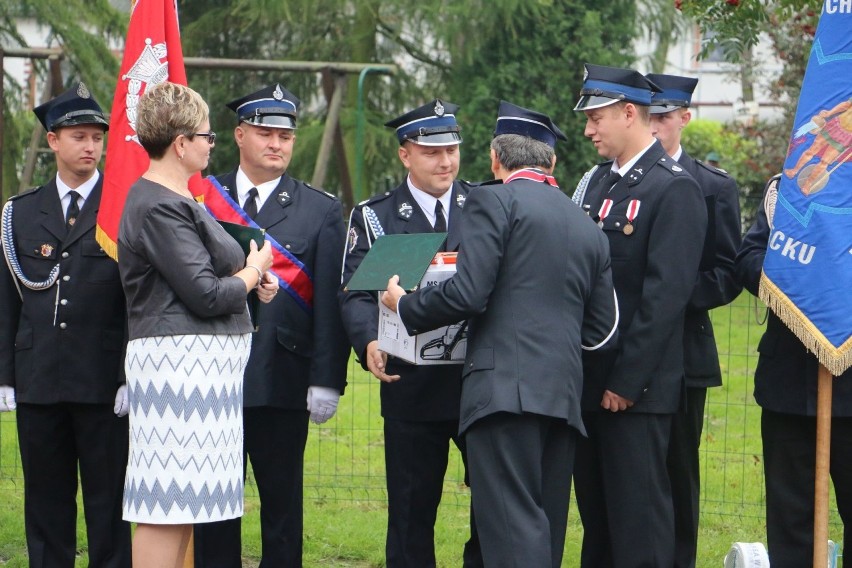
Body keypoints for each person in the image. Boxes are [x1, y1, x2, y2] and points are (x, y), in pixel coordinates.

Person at [382, 101, 619, 568]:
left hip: (502, 395)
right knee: (544, 528)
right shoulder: (585, 223)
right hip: (563, 396)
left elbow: (469, 293)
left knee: (511, 531)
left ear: (496, 161)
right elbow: (602, 330)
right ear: (550, 161)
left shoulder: (491, 200)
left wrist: (404, 305)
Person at [117, 81, 277, 568]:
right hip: (177, 375)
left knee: (184, 505)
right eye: (207, 135)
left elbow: (205, 280)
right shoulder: (158, 204)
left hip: (201, 377)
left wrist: (252, 285)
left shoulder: (177, 198)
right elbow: (205, 294)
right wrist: (253, 271)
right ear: (181, 142)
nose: (213, 144)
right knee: (164, 503)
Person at [193, 83, 350, 568]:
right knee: (214, 507)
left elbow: (330, 302)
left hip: (283, 377)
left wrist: (327, 378)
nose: (277, 144)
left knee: (282, 507)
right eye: (265, 133)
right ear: (239, 135)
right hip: (210, 374)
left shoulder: (320, 209)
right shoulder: (199, 198)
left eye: (286, 135)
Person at [571, 63, 707, 567]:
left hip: (636, 393)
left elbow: (663, 300)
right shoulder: (602, 185)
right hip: (591, 383)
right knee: (599, 524)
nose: (588, 130)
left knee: (639, 526)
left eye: (596, 118)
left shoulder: (674, 189)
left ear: (630, 113)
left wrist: (626, 383)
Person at [339, 99, 483, 567]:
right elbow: (356, 294)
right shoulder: (378, 217)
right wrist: (369, 341)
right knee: (410, 511)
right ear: (405, 155)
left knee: (493, 506)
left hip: (477, 383)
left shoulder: (483, 206)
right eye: (431, 152)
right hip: (411, 387)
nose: (446, 162)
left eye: (453, 150)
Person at [0, 82, 132, 568]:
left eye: (97, 137)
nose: (91, 147)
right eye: (79, 136)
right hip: (40, 381)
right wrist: (5, 375)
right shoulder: (21, 212)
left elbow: (136, 298)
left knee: (108, 507)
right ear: (53, 141)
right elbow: (5, 299)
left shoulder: (121, 207)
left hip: (102, 383)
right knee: (46, 506)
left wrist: (127, 374)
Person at [647, 72, 743, 568]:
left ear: (684, 118)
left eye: (665, 117)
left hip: (684, 348)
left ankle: (679, 557)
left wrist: (669, 298)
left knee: (679, 464)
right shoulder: (618, 181)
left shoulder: (712, 186)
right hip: (629, 347)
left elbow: (727, 272)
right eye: (650, 117)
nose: (657, 126)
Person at [735, 174, 852, 567]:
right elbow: (748, 257)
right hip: (788, 385)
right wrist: (797, 279)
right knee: (789, 517)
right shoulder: (787, 191)